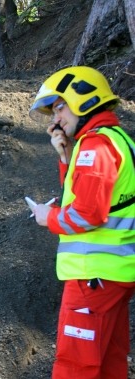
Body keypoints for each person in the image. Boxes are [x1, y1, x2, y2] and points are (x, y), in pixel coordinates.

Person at [29, 66, 135, 379]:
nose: (55, 119)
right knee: (109, 363)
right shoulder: (112, 140)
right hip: (112, 276)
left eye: (59, 108)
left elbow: (86, 214)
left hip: (93, 277)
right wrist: (64, 157)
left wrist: (46, 217)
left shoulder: (96, 146)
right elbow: (86, 198)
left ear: (83, 99)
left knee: (76, 367)